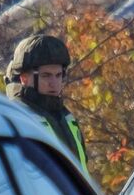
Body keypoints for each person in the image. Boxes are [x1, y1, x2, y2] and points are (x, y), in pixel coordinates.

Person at [5, 33, 88, 174]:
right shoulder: (17, 119)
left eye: (58, 75)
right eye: (46, 75)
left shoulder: (66, 117)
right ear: (24, 78)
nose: (54, 83)